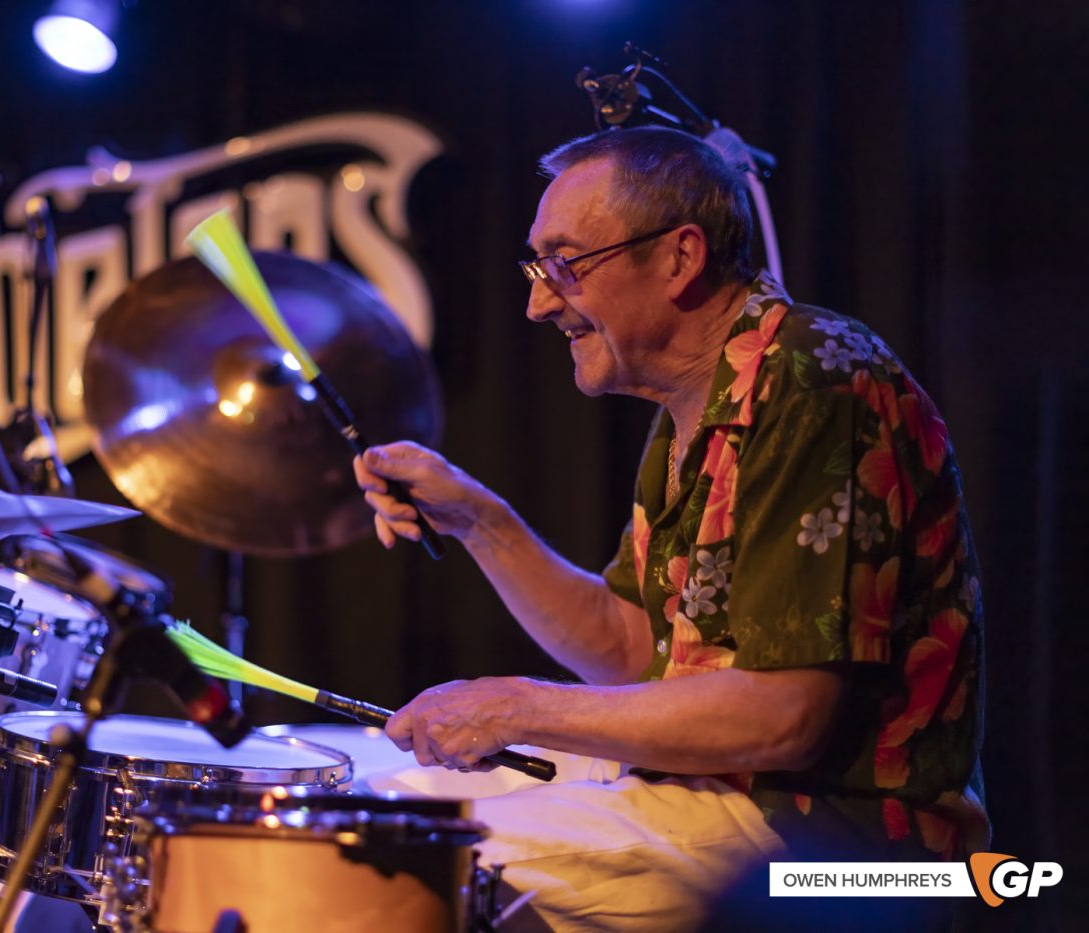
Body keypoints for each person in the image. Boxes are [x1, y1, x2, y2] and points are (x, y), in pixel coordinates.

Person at [353, 126, 987, 929]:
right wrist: (479, 519)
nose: (539, 301)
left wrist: (514, 706)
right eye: (537, 266)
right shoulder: (697, 403)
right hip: (713, 798)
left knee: (401, 852)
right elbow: (630, 646)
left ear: (680, 258)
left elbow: (784, 716)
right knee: (371, 791)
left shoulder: (813, 380)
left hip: (836, 853)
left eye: (566, 264)